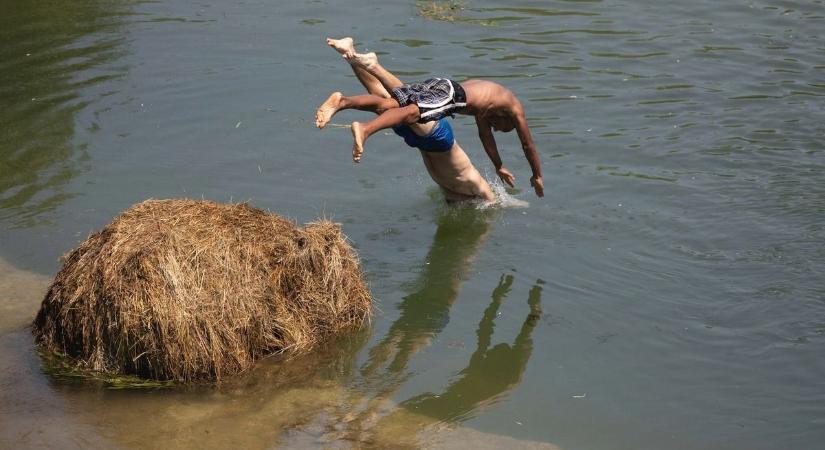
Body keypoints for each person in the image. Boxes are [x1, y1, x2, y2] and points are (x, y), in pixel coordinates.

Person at [315, 44, 544, 198]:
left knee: (391, 102)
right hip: (448, 104)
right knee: (410, 111)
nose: (496, 128)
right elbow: (528, 144)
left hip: (442, 88)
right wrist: (537, 175)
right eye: (501, 128)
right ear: (509, 121)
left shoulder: (487, 109)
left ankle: (351, 64)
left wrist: (499, 166)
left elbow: (486, 136)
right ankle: (366, 120)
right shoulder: (513, 108)